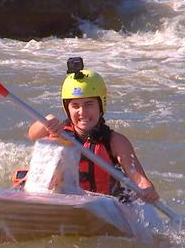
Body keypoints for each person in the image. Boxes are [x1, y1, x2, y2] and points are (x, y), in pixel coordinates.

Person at [27, 58, 160, 204]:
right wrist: (46, 121)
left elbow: (139, 178)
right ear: (67, 109)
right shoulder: (58, 132)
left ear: (100, 106)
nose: (82, 112)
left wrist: (147, 190)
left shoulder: (115, 141)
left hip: (104, 205)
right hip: (64, 200)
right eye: (75, 106)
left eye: (89, 104)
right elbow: (32, 135)